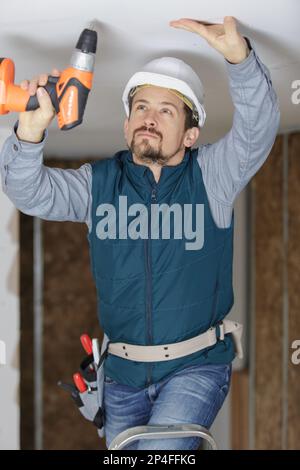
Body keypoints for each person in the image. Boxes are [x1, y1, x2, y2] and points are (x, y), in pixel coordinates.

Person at [0, 17, 280, 450]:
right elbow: (29, 191)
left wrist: (239, 58)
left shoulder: (212, 176)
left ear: (190, 134)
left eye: (166, 111)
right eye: (141, 107)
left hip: (196, 366)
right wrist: (31, 129)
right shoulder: (98, 185)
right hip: (121, 377)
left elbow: (257, 130)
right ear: (127, 123)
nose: (149, 119)